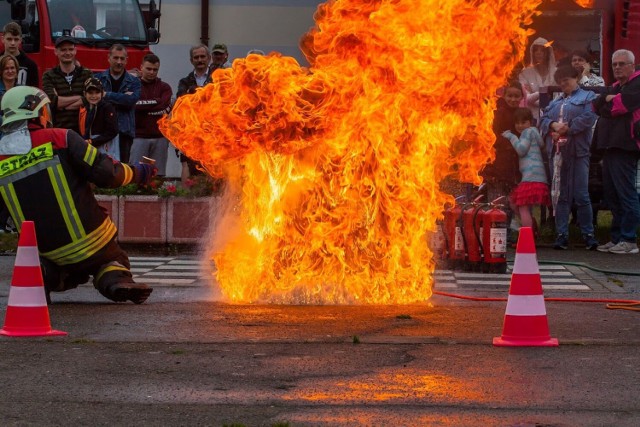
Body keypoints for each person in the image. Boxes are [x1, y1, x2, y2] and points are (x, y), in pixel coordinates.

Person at [0, 86, 156, 303]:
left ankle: (44, 278)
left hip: (45, 251)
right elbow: (106, 174)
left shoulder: (1, 158)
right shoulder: (61, 138)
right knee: (112, 259)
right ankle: (115, 279)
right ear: (39, 112)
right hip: (93, 242)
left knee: (44, 267)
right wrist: (139, 172)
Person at [539, 65, 599, 250]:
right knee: (561, 196)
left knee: (581, 194)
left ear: (576, 78)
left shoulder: (589, 97)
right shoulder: (555, 103)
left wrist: (569, 128)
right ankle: (561, 235)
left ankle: (588, 235)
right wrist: (553, 126)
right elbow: (542, 120)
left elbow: (589, 117)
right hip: (557, 153)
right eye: (561, 80)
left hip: (579, 152)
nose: (564, 83)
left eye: (567, 79)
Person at [592, 49, 640, 254]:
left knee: (626, 193)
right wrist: (607, 99)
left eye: (622, 64)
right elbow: (595, 106)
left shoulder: (637, 84)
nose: (617, 67)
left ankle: (629, 240)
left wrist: (609, 100)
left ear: (632, 65)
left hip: (626, 146)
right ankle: (617, 237)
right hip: (610, 146)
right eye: (614, 64)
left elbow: (617, 108)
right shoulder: (615, 87)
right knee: (612, 195)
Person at [501, 108, 550, 234]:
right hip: (537, 177)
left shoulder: (527, 133)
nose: (520, 125)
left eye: (523, 122)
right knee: (522, 206)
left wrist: (511, 136)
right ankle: (532, 228)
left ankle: (527, 236)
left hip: (531, 176)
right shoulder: (534, 133)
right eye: (517, 123)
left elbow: (521, 150)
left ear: (530, 122)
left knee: (520, 205)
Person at [95, 44, 141, 163]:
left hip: (124, 132)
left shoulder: (134, 82)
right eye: (116, 58)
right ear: (108, 58)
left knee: (122, 171)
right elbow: (95, 101)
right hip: (102, 132)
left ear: (127, 60)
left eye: (122, 58)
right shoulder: (98, 79)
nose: (119, 62)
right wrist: (123, 97)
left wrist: (106, 95)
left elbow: (130, 101)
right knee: (101, 168)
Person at [176, 44, 213, 182]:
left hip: (212, 130)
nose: (200, 60)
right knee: (187, 161)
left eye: (202, 56)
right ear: (191, 60)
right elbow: (182, 100)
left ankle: (210, 193)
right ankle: (186, 196)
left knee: (211, 163)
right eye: (196, 57)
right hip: (191, 130)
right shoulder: (185, 81)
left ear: (209, 58)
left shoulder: (218, 78)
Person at [131, 54, 172, 176]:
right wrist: (156, 101)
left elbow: (164, 104)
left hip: (160, 137)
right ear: (141, 67)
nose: (152, 72)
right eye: (148, 69)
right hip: (138, 136)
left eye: (155, 70)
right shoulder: (133, 85)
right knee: (136, 173)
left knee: (158, 175)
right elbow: (134, 105)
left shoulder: (164, 87)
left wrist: (144, 106)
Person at [42, 36, 93, 133]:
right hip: (58, 131)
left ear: (75, 51)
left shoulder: (86, 73)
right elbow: (52, 101)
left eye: (70, 49)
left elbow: (91, 98)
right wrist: (79, 97)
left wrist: (62, 105)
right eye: (63, 50)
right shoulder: (48, 75)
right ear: (56, 52)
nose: (68, 53)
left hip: (83, 132)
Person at [79, 77, 119, 159]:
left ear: (102, 93)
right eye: (90, 93)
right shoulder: (85, 109)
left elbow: (113, 131)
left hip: (106, 148)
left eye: (97, 92)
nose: (94, 96)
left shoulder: (108, 107)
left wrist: (92, 141)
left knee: (105, 169)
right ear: (84, 94)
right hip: (90, 147)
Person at [519, 37, 557, 123]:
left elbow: (560, 96)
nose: (538, 53)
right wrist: (547, 93)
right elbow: (527, 98)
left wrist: (535, 97)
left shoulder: (557, 73)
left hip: (553, 118)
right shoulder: (525, 73)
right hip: (532, 118)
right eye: (536, 50)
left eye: (542, 50)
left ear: (548, 53)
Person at [1, 22, 38, 87]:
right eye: (9, 39)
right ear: (2, 39)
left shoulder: (30, 65)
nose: (13, 43)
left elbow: (34, 92)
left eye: (16, 39)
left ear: (20, 40)